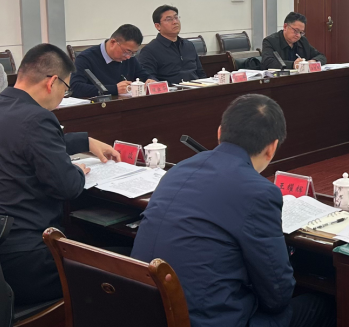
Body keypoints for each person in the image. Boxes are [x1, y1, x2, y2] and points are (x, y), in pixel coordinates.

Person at [132, 94, 335, 327]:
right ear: (272, 147)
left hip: (146, 312)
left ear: (220, 133)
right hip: (206, 321)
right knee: (323, 305)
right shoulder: (259, 192)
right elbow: (277, 296)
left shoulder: (179, 170)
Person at [0, 44, 119, 304]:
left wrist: (84, 141)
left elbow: (19, 142)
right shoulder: (38, 118)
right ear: (52, 82)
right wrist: (76, 170)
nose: (62, 96)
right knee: (126, 266)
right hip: (32, 260)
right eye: (65, 88)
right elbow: (67, 186)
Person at [69, 24, 155, 98]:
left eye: (133, 53)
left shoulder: (130, 59)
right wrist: (114, 89)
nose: (128, 56)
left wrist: (151, 81)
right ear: (113, 42)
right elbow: (76, 88)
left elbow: (144, 76)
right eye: (127, 51)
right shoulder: (86, 58)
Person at [138, 5, 207, 84]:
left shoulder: (189, 45)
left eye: (176, 18)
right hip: (170, 90)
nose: (175, 22)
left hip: (196, 88)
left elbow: (200, 73)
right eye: (169, 19)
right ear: (158, 26)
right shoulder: (149, 50)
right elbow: (149, 78)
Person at [261, 12, 327, 70]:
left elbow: (321, 56)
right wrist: (293, 64)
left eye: (301, 32)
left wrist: (313, 61)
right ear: (285, 26)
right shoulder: (270, 41)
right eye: (296, 31)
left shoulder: (303, 41)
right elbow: (267, 62)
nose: (298, 35)